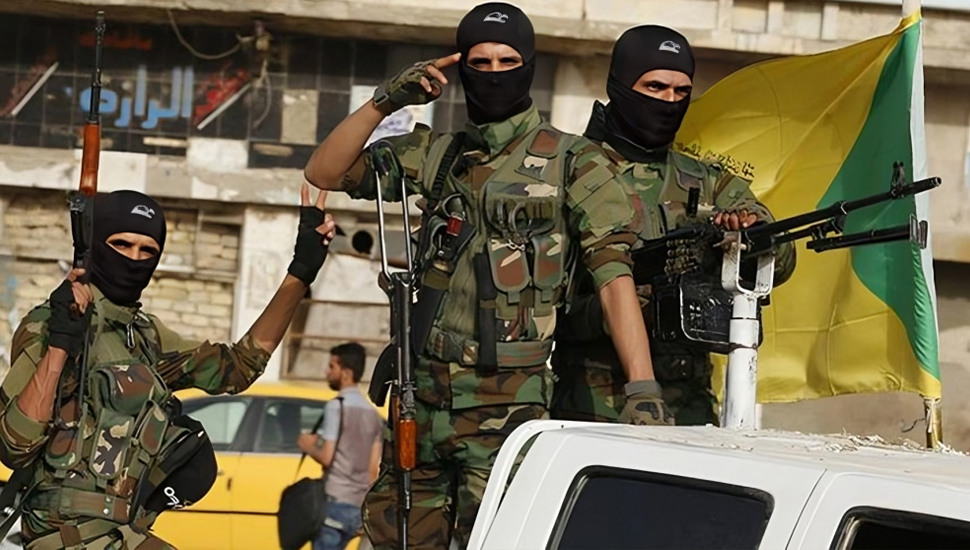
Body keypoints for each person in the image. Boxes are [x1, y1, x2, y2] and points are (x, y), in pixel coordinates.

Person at [304, 4, 669, 548]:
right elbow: (324, 171)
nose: (494, 72)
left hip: (508, 407)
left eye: (507, 60)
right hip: (421, 397)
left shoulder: (575, 162)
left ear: (529, 66)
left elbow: (613, 276)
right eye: (480, 61)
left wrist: (642, 388)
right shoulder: (435, 153)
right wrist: (386, 102)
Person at [0, 185, 335, 549]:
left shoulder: (146, 337)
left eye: (147, 250)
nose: (134, 259)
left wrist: (300, 273)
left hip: (121, 531)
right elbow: (14, 446)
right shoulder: (49, 323)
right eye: (121, 244)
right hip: (62, 533)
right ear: (95, 244)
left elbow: (238, 366)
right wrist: (61, 343)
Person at [551, 25, 797, 426]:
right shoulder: (571, 168)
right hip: (592, 406)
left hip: (690, 407)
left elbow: (782, 259)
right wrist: (630, 304)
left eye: (681, 92)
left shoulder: (706, 180)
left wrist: (752, 232)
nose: (669, 102)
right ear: (620, 85)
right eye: (655, 87)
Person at [296, 342, 383, 550]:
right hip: (357, 507)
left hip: (335, 502)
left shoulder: (336, 406)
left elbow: (327, 456)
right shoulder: (373, 415)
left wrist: (308, 445)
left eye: (332, 366)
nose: (327, 372)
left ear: (346, 373)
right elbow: (373, 470)